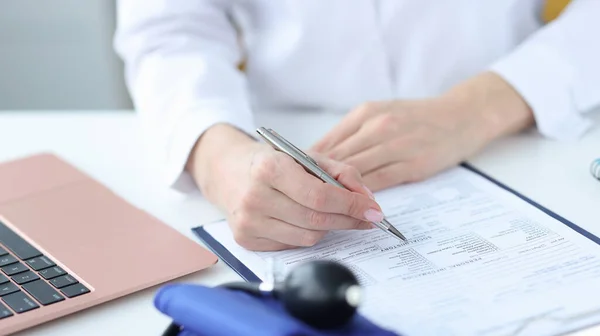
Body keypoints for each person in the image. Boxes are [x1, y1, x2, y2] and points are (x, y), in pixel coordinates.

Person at [113, 0, 600, 251]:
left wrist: (482, 106)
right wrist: (221, 161)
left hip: (523, 132)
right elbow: (168, 30)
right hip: (284, 143)